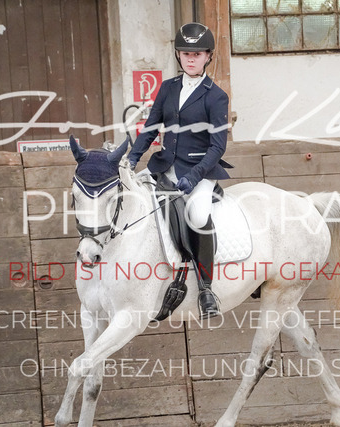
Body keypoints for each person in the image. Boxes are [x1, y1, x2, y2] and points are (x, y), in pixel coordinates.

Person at [128, 22, 232, 318]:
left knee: (197, 216)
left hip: (199, 171)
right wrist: (131, 160)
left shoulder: (216, 96)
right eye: (186, 53)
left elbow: (218, 147)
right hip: (164, 166)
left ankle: (206, 289)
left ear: (208, 56)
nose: (191, 59)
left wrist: (194, 176)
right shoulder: (168, 88)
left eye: (197, 54)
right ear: (178, 55)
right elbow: (151, 128)